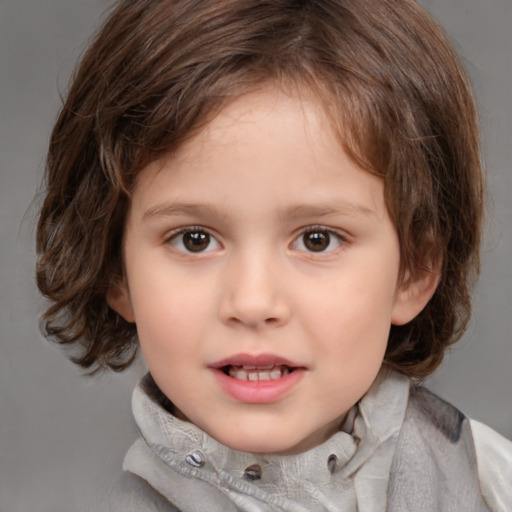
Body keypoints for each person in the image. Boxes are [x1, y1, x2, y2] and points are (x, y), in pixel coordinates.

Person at [36, 0, 512, 510]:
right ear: (116, 271)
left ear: (413, 271)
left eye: (317, 240)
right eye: (195, 239)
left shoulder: (487, 481)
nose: (253, 301)